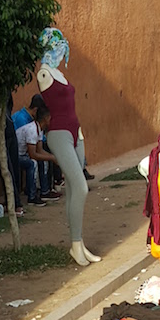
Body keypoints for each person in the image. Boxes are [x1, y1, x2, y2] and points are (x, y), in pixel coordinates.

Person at [37, 27, 100, 267]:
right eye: (60, 45)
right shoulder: (44, 74)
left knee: (75, 190)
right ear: (53, 46)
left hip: (76, 132)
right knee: (81, 188)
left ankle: (79, 244)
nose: (64, 49)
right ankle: (75, 244)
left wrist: (80, 134)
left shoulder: (58, 72)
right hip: (59, 134)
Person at [16, 102, 57, 206]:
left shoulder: (39, 129)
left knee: (44, 160)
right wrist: (51, 158)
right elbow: (33, 154)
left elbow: (40, 150)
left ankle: (45, 191)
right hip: (17, 156)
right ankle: (32, 196)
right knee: (32, 163)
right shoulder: (32, 130)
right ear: (46, 118)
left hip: (24, 154)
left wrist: (52, 157)